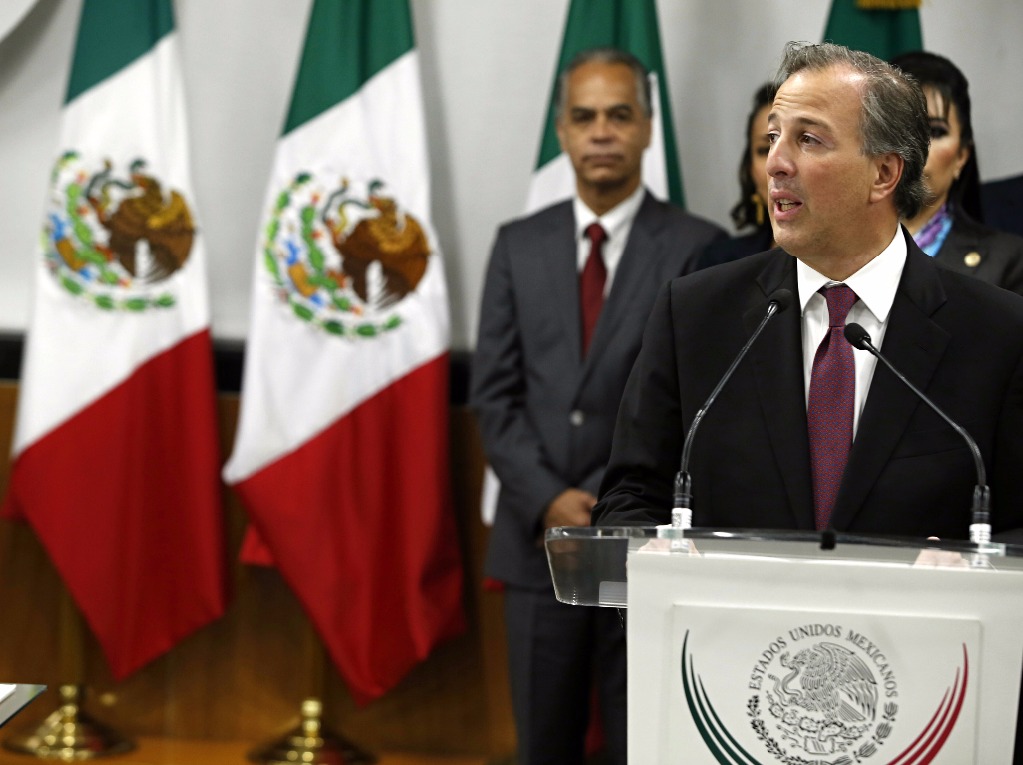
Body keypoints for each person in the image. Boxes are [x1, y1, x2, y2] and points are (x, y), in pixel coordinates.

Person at [592, 41, 1023, 544]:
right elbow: (630, 500)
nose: (775, 163)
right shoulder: (694, 316)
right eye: (773, 137)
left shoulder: (998, 333)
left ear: (883, 173)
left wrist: (968, 572)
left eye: (809, 140)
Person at [471, 48, 725, 765]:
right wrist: (549, 495)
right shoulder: (516, 245)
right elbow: (493, 394)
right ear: (561, 130)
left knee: (639, 742)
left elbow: (697, 404)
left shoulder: (697, 247)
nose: (601, 132)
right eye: (584, 117)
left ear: (648, 129)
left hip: (644, 545)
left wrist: (621, 504)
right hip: (535, 542)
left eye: (619, 115)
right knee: (541, 744)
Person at [890, 51, 1023, 295]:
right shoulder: (821, 249)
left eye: (935, 132)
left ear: (962, 155)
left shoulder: (1009, 262)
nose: (916, 147)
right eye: (902, 128)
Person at [699, 82, 777, 268]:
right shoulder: (722, 265)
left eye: (806, 142)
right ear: (748, 168)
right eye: (765, 149)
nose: (778, 163)